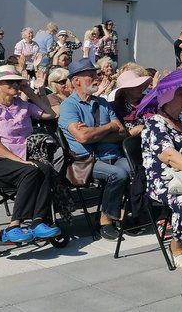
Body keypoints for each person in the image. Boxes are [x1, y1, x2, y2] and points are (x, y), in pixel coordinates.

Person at [0, 65, 61, 243]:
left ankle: (38, 222)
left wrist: (33, 91)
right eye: (11, 81)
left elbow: (51, 114)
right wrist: (18, 160)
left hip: (22, 156)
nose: (15, 85)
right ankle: (13, 226)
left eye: (18, 82)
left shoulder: (21, 105)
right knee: (31, 171)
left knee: (46, 169)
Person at [58, 58, 129, 240]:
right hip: (86, 161)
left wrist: (95, 133)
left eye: (95, 74)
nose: (96, 78)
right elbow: (83, 137)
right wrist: (109, 127)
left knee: (136, 168)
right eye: (90, 76)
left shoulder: (103, 103)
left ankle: (128, 213)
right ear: (76, 81)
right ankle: (106, 220)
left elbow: (122, 132)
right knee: (118, 175)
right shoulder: (68, 106)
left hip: (112, 154)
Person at [142, 85, 182, 269]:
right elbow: (168, 156)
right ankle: (177, 246)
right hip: (165, 180)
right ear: (168, 98)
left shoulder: (180, 121)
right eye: (181, 93)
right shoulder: (156, 123)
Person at [111, 70, 152, 137]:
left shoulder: (148, 102)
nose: (140, 88)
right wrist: (134, 131)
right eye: (136, 86)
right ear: (126, 90)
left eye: (141, 85)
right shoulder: (115, 107)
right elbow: (116, 135)